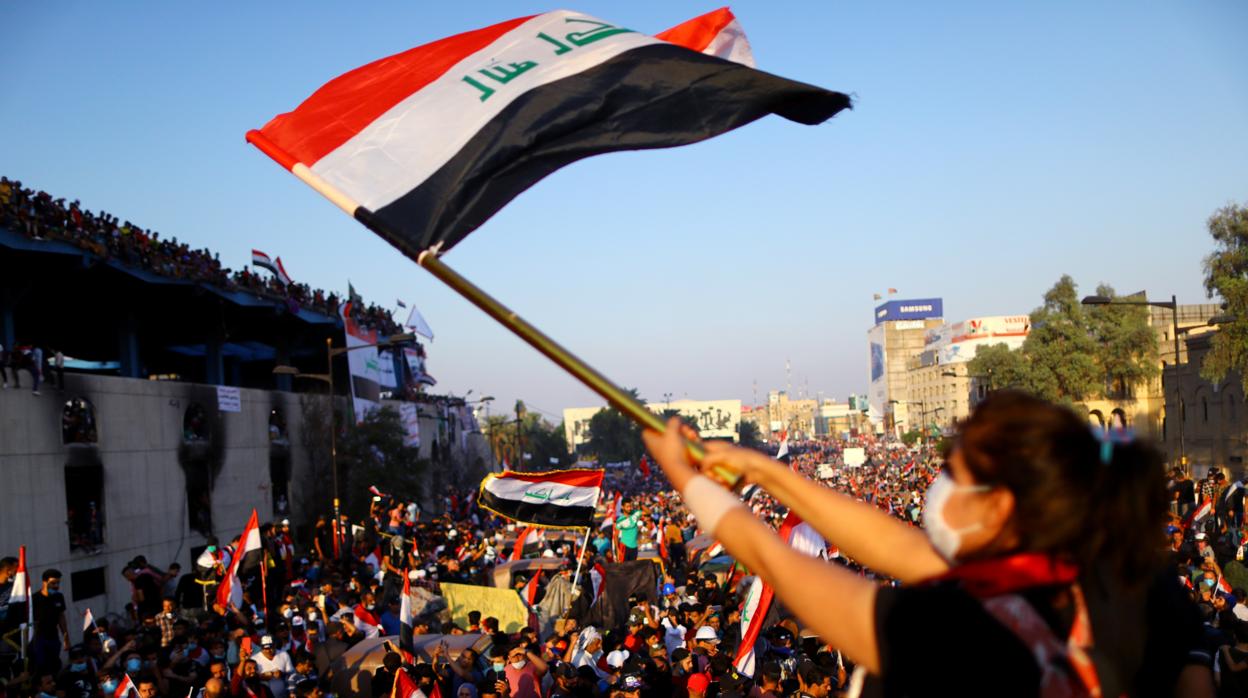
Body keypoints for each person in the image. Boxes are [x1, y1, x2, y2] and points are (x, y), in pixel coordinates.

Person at [643, 391, 1216, 697]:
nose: (939, 489)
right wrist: (763, 472)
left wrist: (689, 481)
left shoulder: (964, 629)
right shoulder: (1124, 576)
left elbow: (777, 562)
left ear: (1000, 506)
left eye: (955, 472)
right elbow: (897, 547)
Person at [31, 569, 69, 676]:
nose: (56, 586)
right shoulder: (35, 599)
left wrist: (66, 637)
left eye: (58, 583)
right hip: (39, 638)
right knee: (41, 666)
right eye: (53, 583)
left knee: (54, 664)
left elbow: (61, 617)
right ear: (44, 582)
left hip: (53, 637)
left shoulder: (59, 597)